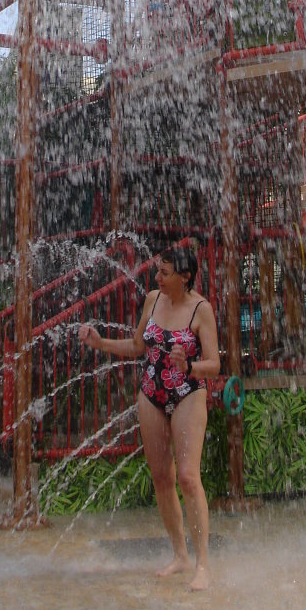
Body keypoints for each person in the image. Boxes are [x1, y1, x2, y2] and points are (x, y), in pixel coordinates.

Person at [79, 245, 220, 591]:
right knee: (161, 477)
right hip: (151, 393)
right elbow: (137, 347)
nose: (156, 277)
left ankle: (203, 563)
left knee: (188, 477)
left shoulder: (201, 309)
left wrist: (189, 366)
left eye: (164, 272)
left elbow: (215, 365)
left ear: (185, 277)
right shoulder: (153, 300)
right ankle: (180, 555)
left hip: (188, 392)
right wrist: (101, 343)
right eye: (157, 270)